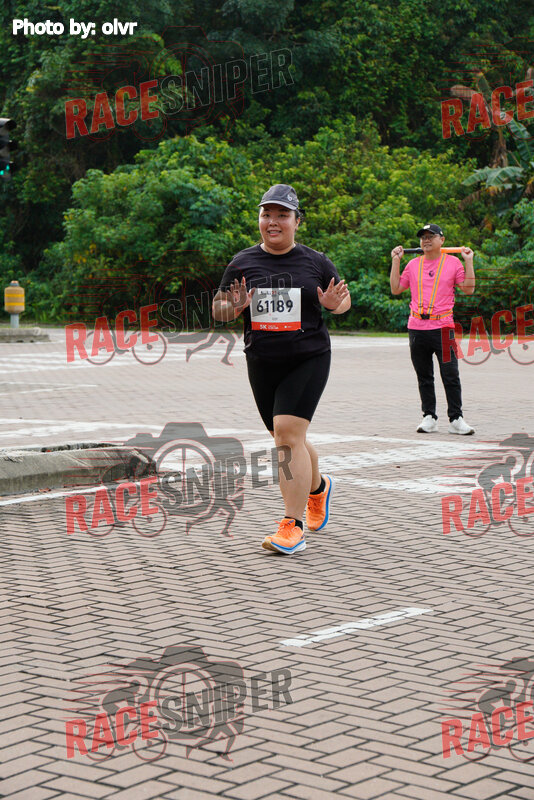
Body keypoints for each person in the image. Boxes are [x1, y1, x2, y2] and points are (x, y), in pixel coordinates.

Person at [212, 184, 351, 554]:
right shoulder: (242, 263)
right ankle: (318, 488)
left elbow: (343, 301)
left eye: (282, 215)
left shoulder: (315, 262)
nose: (273, 222)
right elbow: (218, 309)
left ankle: (292, 525)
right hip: (262, 361)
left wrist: (333, 304)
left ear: (296, 221)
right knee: (289, 438)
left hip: (308, 358)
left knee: (287, 435)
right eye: (266, 214)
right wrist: (234, 307)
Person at [390, 223, 476, 435]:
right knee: (424, 375)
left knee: (450, 374)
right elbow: (396, 288)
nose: (426, 240)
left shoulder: (453, 263)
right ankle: (429, 417)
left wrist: (469, 261)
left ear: (442, 240)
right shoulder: (413, 265)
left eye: (431, 236)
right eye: (423, 237)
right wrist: (396, 261)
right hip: (417, 327)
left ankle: (456, 418)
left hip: (443, 327)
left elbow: (468, 289)